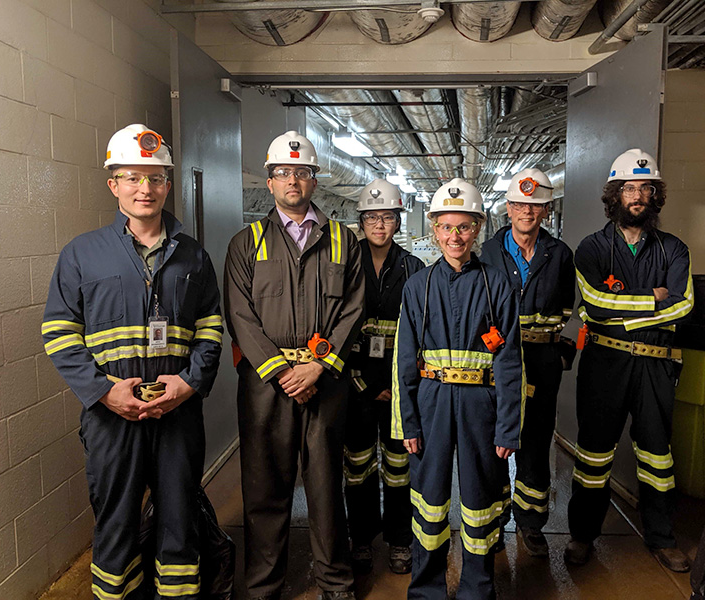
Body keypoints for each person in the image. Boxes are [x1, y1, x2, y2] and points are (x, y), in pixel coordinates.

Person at [42, 123, 224, 599]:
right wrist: (103, 390)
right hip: (111, 416)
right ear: (113, 185)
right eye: (132, 177)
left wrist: (189, 384)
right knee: (116, 523)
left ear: (169, 183)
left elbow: (210, 327)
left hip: (178, 413)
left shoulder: (193, 256)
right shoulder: (81, 254)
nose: (146, 188)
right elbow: (58, 332)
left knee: (179, 519)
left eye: (156, 177)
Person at [224, 131, 365, 600]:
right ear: (269, 182)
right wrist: (283, 372)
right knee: (265, 488)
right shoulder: (247, 244)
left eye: (301, 172)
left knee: (326, 486)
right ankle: (264, 585)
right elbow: (239, 314)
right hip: (268, 384)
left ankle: (336, 581)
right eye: (282, 173)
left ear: (314, 180)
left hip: (324, 380)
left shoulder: (345, 241)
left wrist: (319, 367)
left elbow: (353, 309)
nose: (292, 181)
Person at [393, 178, 524, 600]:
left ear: (478, 229)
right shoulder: (417, 286)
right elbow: (404, 361)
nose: (455, 237)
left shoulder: (497, 285)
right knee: (428, 501)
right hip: (430, 404)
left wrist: (508, 428)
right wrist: (406, 423)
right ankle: (427, 589)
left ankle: (477, 589)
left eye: (464, 227)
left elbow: (509, 361)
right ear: (434, 229)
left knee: (480, 500)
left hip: (479, 406)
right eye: (446, 227)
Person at [564, 149, 694, 573]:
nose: (637, 195)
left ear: (655, 195)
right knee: (594, 454)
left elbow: (683, 305)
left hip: (656, 366)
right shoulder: (591, 248)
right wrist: (651, 299)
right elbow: (597, 306)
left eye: (645, 187)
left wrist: (626, 312)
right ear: (614, 194)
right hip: (606, 365)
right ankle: (583, 535)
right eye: (629, 188)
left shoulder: (674, 249)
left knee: (658, 457)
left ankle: (661, 538)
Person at [480, 168, 575, 557]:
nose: (527, 211)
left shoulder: (560, 254)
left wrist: (554, 348)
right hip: (498, 362)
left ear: (547, 210)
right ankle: (495, 520)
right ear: (508, 207)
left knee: (536, 444)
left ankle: (531, 522)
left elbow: (567, 304)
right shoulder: (488, 252)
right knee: (494, 442)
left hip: (542, 362)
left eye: (535, 205)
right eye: (520, 204)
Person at [344, 179, 424, 575]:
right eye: (372, 217)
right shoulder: (342, 262)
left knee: (398, 467)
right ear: (362, 220)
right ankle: (360, 538)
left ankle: (399, 540)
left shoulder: (413, 268)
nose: (380, 224)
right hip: (353, 383)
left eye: (387, 216)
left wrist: (398, 385)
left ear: (397, 220)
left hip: (398, 386)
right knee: (357, 466)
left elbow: (420, 335)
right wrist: (361, 382)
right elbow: (333, 328)